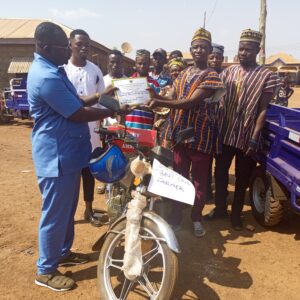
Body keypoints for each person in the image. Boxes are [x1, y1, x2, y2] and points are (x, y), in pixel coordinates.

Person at [27, 22, 118, 291]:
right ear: (45, 47)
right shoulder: (46, 77)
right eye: (62, 47)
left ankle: (62, 252)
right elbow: (76, 114)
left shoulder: (54, 70)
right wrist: (111, 111)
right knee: (55, 213)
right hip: (56, 157)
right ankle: (45, 270)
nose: (67, 51)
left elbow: (77, 101)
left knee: (66, 210)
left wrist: (103, 95)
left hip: (68, 154)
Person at [149, 28, 224, 237]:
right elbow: (171, 95)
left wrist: (160, 100)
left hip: (201, 137)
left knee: (199, 181)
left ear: (209, 50)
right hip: (180, 135)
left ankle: (196, 217)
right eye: (195, 47)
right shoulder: (183, 73)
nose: (198, 50)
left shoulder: (212, 76)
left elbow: (190, 102)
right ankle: (175, 217)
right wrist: (150, 93)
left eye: (203, 47)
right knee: (178, 178)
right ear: (190, 49)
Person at [205, 29, 279, 230]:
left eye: (247, 49)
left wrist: (255, 137)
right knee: (220, 172)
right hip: (225, 132)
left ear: (258, 49)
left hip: (247, 136)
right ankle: (221, 208)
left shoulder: (267, 76)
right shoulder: (229, 72)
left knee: (242, 176)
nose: (242, 53)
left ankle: (236, 214)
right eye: (240, 49)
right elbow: (216, 99)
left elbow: (263, 109)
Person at [65, 29, 104, 226]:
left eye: (87, 45)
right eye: (79, 44)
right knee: (71, 175)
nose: (83, 48)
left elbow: (103, 99)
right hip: (68, 133)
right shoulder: (62, 70)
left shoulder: (95, 71)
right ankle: (68, 214)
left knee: (89, 172)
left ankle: (89, 210)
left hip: (91, 131)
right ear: (70, 44)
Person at [206, 43, 225, 202]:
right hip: (204, 124)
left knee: (220, 163)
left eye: (218, 57)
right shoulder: (203, 75)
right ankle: (205, 191)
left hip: (221, 126)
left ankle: (220, 195)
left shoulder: (226, 76)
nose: (215, 60)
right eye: (212, 57)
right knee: (204, 160)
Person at [125, 49, 159, 129]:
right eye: (139, 63)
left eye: (145, 63)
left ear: (149, 64)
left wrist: (154, 129)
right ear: (135, 63)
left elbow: (158, 109)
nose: (142, 66)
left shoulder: (154, 84)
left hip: (147, 128)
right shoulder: (127, 82)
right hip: (129, 127)